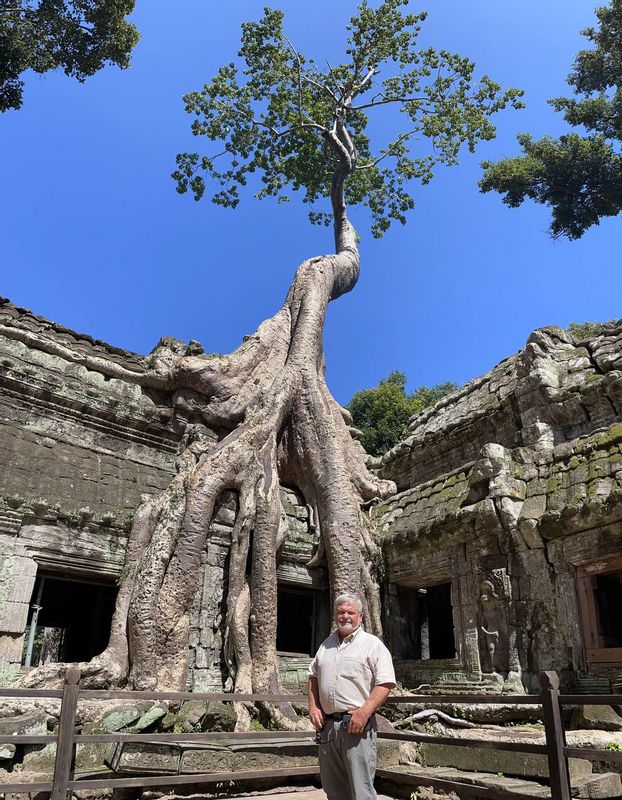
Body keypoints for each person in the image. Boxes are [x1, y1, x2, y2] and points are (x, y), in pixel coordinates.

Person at [308, 593, 396, 800]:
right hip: (328, 727)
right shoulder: (326, 645)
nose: (345, 616)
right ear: (335, 616)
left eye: (350, 612)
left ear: (361, 616)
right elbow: (313, 675)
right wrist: (313, 707)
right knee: (334, 790)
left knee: (361, 790)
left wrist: (364, 713)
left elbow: (386, 682)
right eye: (341, 612)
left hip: (356, 726)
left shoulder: (372, 645)